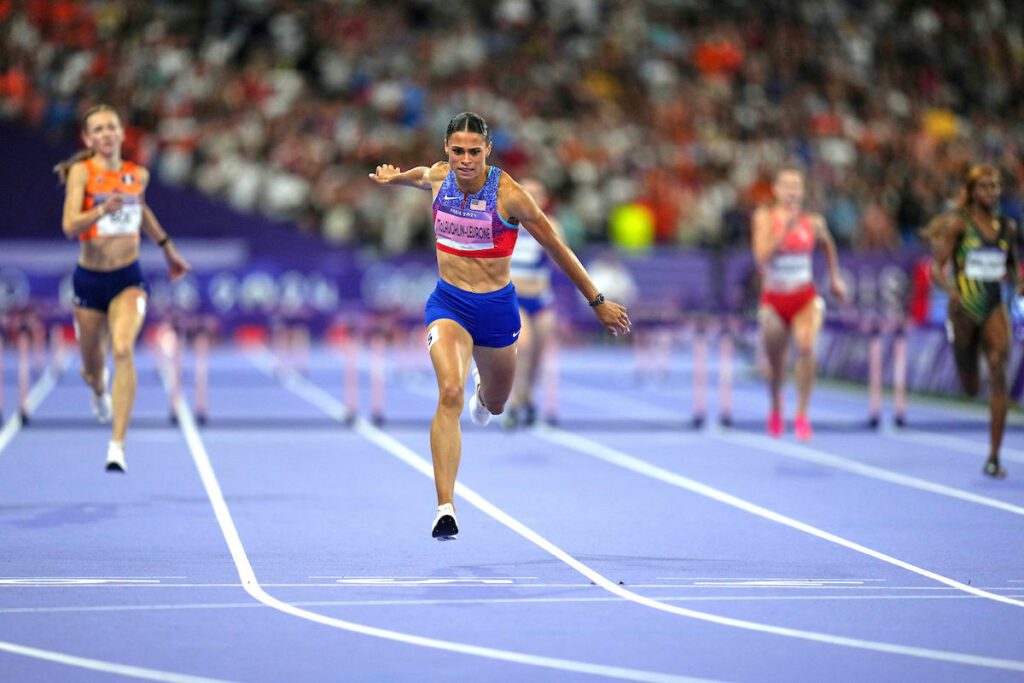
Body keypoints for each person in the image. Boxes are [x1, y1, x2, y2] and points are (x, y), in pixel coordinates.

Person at [369, 112, 630, 538]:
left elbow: (557, 248)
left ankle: (483, 392)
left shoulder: (510, 195)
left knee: (496, 405)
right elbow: (421, 175)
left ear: (488, 150)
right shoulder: (440, 177)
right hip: (448, 304)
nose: (466, 160)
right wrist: (395, 177)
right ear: (447, 151)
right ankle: (445, 506)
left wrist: (596, 300)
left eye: (474, 151)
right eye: (458, 151)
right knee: (447, 392)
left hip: (496, 311)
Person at [55, 104, 190, 472]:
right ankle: (99, 391)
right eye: (98, 129)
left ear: (120, 132)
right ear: (88, 138)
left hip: (128, 279)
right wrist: (101, 210)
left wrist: (168, 250)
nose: (106, 134)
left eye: (111, 127)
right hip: (89, 281)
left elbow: (141, 212)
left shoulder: (137, 175)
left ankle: (118, 445)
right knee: (92, 370)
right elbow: (69, 226)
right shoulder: (82, 173)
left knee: (123, 347)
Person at [921, 164, 1022, 478]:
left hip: (993, 307)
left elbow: (1014, 267)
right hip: (964, 307)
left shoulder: (1008, 227)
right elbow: (935, 268)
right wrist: (951, 290)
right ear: (972, 191)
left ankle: (993, 456)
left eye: (994, 187)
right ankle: (960, 348)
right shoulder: (958, 225)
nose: (989, 193)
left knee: (998, 371)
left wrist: (1018, 284)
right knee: (970, 386)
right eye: (983, 187)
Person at [752, 167, 846, 440]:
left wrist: (835, 278)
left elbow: (828, 244)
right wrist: (785, 231)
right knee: (776, 362)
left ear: (802, 192)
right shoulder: (764, 218)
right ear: (776, 190)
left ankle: (802, 414)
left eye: (797, 186)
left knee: (806, 346)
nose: (792, 191)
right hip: (773, 299)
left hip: (804, 296)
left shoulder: (813, 222)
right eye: (786, 185)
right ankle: (775, 405)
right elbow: (760, 257)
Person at [502, 178, 558, 429]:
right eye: (527, 193)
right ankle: (513, 402)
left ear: (544, 199)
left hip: (541, 299)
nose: (531, 197)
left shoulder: (552, 225)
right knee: (523, 346)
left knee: (538, 353)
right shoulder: (506, 223)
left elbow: (561, 257)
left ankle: (528, 396)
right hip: (516, 298)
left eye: (537, 193)